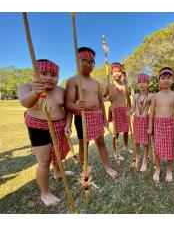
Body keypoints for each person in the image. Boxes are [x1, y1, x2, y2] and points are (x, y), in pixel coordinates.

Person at [18, 59, 73, 207]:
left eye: (53, 75)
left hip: (60, 126)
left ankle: (58, 172)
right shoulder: (26, 87)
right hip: (38, 127)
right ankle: (45, 193)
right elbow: (25, 102)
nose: (49, 77)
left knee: (59, 152)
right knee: (44, 161)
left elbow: (68, 109)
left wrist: (68, 124)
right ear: (35, 73)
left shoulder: (61, 90)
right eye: (43, 73)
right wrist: (36, 92)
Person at [65, 47, 117, 178]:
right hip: (82, 116)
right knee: (84, 145)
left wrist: (104, 118)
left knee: (101, 143)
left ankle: (107, 166)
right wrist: (75, 105)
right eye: (85, 61)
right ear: (77, 61)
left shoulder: (96, 82)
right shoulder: (73, 80)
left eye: (91, 62)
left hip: (97, 116)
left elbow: (100, 102)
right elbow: (67, 103)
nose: (88, 65)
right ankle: (85, 168)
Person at [147, 67, 174, 183]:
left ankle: (169, 170)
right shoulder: (155, 96)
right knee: (157, 147)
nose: (166, 80)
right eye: (163, 78)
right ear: (158, 81)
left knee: (171, 148)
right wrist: (150, 127)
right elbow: (151, 112)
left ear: (173, 80)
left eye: (169, 78)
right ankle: (158, 169)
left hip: (170, 124)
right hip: (158, 124)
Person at [103, 62, 133, 160]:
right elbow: (102, 97)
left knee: (126, 131)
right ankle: (116, 153)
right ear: (112, 72)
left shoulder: (124, 84)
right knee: (116, 133)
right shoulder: (109, 85)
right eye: (115, 71)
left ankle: (126, 147)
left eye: (119, 71)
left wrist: (129, 108)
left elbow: (128, 98)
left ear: (121, 72)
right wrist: (108, 99)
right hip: (115, 110)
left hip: (125, 109)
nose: (117, 73)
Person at [126, 73, 153, 171]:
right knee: (136, 141)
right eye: (140, 82)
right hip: (136, 121)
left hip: (145, 120)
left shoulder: (151, 96)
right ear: (137, 84)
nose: (142, 84)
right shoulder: (135, 96)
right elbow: (133, 108)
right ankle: (138, 157)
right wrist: (129, 112)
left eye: (144, 82)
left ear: (148, 83)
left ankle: (145, 160)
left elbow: (153, 110)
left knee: (146, 143)